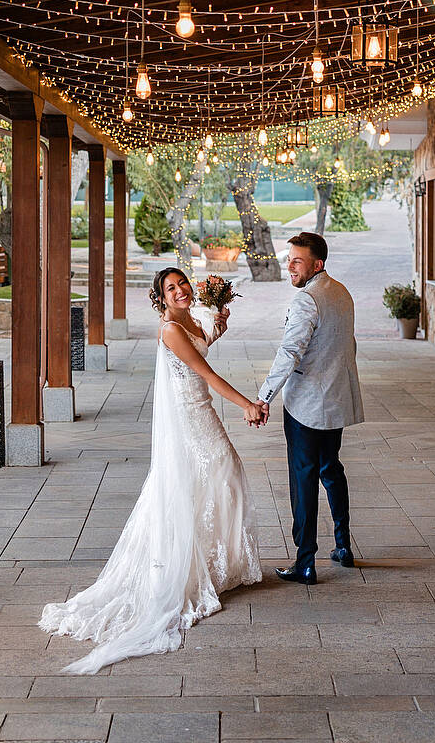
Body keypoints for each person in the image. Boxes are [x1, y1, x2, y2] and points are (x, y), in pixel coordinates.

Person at [39, 267, 263, 673]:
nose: (180, 291)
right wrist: (247, 404)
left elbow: (202, 344)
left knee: (215, 478)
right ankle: (190, 565)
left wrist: (219, 327)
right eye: (171, 289)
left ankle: (211, 564)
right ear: (161, 298)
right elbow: (206, 373)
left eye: (183, 285)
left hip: (200, 408)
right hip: (190, 414)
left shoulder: (190, 319)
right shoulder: (170, 329)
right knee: (221, 471)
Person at [253, 231, 363, 585]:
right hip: (335, 400)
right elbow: (349, 345)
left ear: (317, 264)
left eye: (296, 261)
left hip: (306, 407)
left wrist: (264, 396)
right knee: (331, 468)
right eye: (289, 259)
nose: (290, 266)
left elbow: (290, 352)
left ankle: (305, 562)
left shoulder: (307, 300)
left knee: (303, 479)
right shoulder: (342, 293)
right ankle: (343, 546)